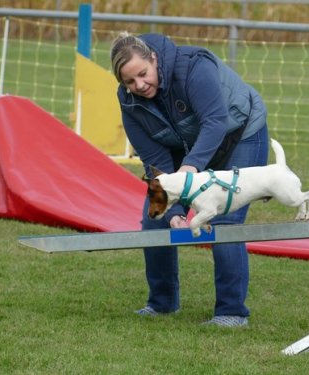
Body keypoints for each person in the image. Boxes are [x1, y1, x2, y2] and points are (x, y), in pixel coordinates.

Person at [110, 32, 269, 327]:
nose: (139, 86)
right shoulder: (130, 104)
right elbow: (155, 162)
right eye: (129, 82)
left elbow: (215, 121)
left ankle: (231, 312)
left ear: (154, 59)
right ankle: (162, 303)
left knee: (223, 220)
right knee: (155, 217)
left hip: (240, 136)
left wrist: (190, 169)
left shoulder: (193, 67)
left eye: (143, 74)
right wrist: (172, 211)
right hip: (187, 152)